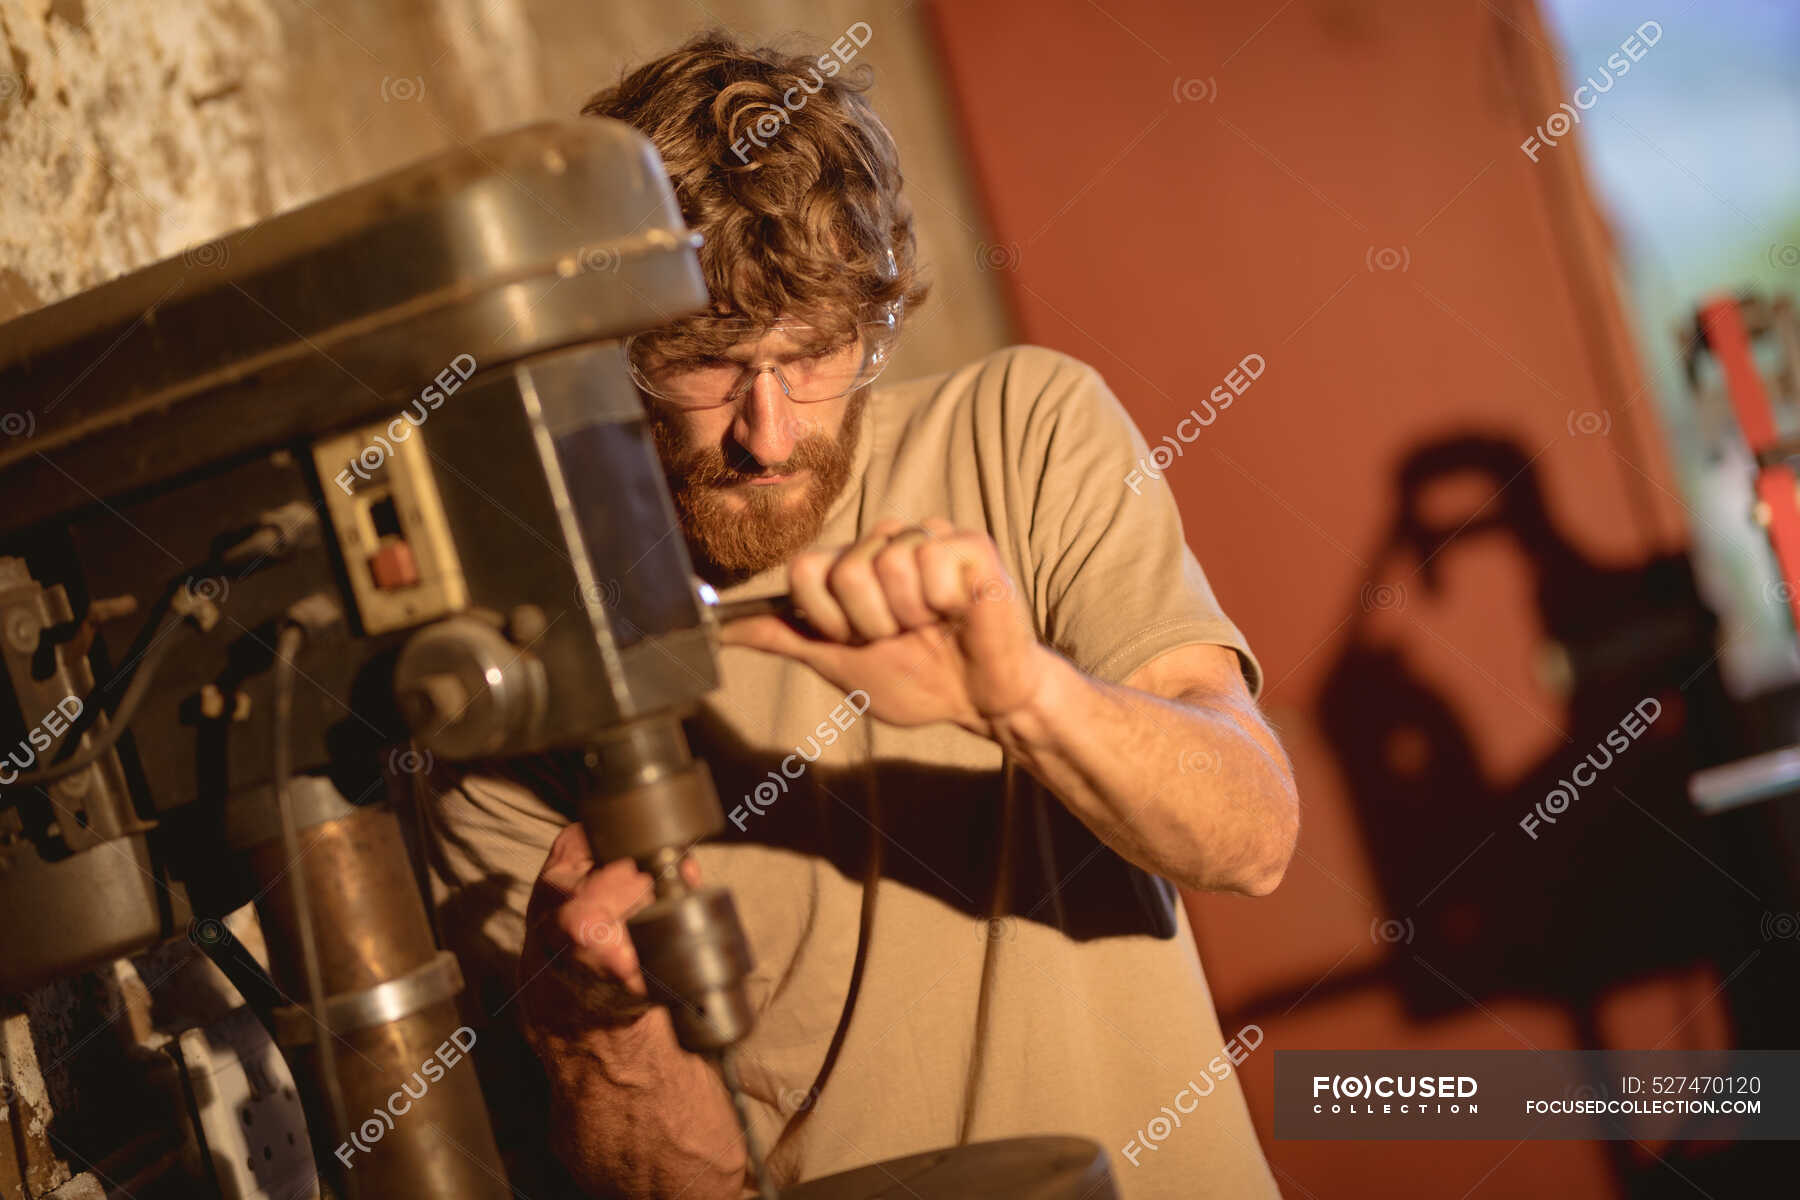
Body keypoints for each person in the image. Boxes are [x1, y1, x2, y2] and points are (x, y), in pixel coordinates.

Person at [420, 30, 1298, 1200]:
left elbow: (1253, 836)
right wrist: (597, 1026)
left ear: (870, 318)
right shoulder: (518, 675)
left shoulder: (1022, 431)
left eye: (815, 353)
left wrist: (1021, 694)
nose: (768, 432)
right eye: (709, 363)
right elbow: (668, 1183)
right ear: (606, 355)